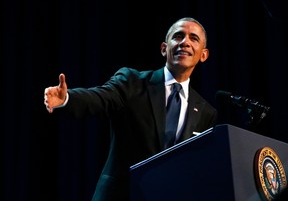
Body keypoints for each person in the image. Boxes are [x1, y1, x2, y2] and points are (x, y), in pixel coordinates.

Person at [44, 17, 218, 201]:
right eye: (178, 36)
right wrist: (67, 98)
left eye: (193, 38)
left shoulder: (206, 112)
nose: (185, 42)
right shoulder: (132, 82)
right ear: (164, 48)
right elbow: (100, 97)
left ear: (203, 55)